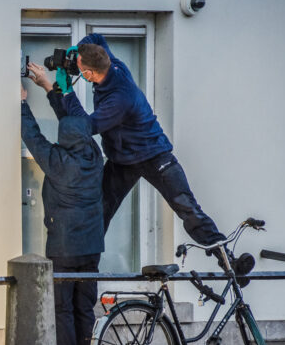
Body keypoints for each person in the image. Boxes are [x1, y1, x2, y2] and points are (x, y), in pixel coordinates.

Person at [28, 34, 225, 248]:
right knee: (98, 211)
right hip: (121, 160)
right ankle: (86, 264)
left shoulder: (119, 99)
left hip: (154, 155)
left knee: (186, 206)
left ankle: (226, 258)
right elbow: (96, 37)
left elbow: (84, 127)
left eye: (79, 68)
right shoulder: (109, 61)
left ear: (89, 73)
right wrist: (75, 50)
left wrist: (66, 91)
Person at [20, 82, 104, 345]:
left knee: (63, 312)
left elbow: (33, 137)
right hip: (92, 248)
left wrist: (21, 103)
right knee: (86, 310)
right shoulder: (95, 157)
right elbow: (76, 123)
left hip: (64, 249)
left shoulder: (57, 161)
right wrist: (57, 91)